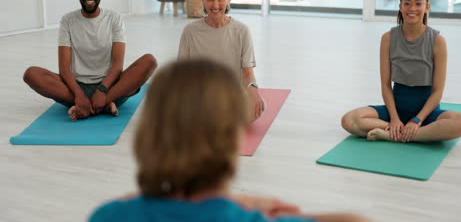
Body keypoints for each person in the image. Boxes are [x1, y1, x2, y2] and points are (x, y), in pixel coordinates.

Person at [88, 59, 371, 222]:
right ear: (233, 138)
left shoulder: (109, 216)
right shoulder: (245, 220)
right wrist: (242, 203)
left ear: (149, 134)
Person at [341, 0, 461, 142]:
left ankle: (395, 135)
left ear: (427, 7)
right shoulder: (388, 38)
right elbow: (386, 85)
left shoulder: (438, 41)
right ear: (400, 6)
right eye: (407, 3)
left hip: (426, 115)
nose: (412, 8)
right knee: (349, 120)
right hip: (395, 110)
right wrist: (394, 118)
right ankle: (408, 132)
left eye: (418, 3)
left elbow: (437, 92)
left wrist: (417, 120)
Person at [23, 0, 157, 121]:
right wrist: (79, 95)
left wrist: (102, 90)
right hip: (75, 89)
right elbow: (64, 68)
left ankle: (90, 106)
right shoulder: (67, 21)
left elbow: (117, 65)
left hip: (110, 86)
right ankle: (97, 105)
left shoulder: (114, 19)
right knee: (31, 74)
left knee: (149, 61)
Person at [178, 0, 264, 121]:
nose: (215, 5)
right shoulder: (190, 31)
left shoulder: (242, 31)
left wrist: (254, 93)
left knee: (258, 107)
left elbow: (248, 72)